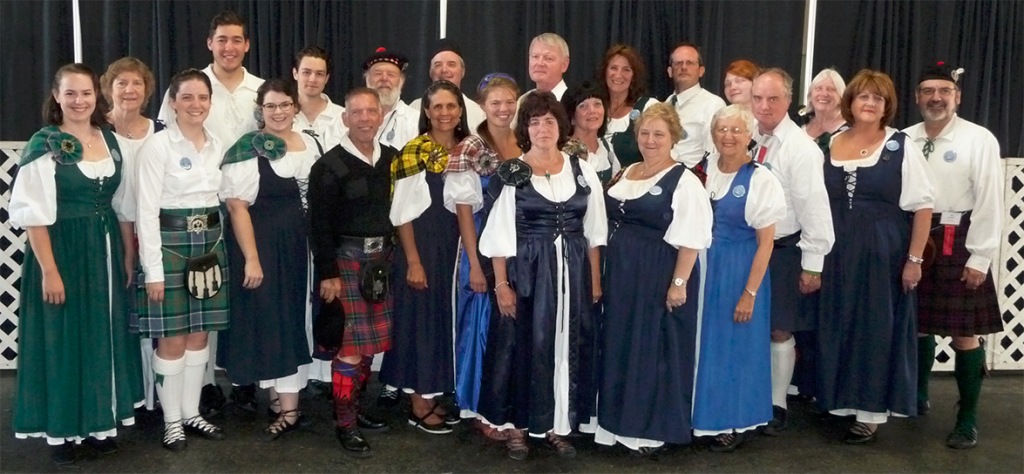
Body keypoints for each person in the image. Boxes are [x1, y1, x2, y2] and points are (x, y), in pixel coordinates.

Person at [10, 63, 143, 465]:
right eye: (70, 93)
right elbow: (33, 214)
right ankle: (63, 432)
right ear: (57, 96)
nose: (79, 101)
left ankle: (100, 423)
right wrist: (50, 271)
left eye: (86, 93)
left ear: (96, 97)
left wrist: (128, 254)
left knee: (101, 335)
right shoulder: (43, 143)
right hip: (62, 251)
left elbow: (123, 206)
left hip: (103, 251)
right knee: (63, 339)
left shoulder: (110, 140)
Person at [475, 91, 607, 460]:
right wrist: (502, 284)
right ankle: (518, 426)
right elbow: (498, 235)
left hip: (575, 272)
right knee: (524, 346)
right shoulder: (513, 172)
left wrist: (594, 279)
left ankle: (555, 424)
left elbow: (595, 230)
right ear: (525, 129)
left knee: (565, 345)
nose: (542, 128)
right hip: (528, 273)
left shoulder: (581, 170)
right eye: (534, 121)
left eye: (549, 120)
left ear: (561, 126)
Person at [817, 69, 934, 444]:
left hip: (882, 252)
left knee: (875, 329)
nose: (869, 104)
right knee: (840, 321)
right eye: (863, 96)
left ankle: (870, 412)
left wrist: (914, 260)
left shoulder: (901, 146)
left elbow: (923, 207)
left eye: (877, 99)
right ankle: (841, 400)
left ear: (887, 106)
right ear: (850, 101)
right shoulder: (831, 142)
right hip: (837, 251)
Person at [157, 11, 265, 416]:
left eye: (236, 39)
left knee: (241, 290)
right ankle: (200, 387)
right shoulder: (191, 86)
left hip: (247, 203)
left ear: (247, 45)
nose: (229, 47)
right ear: (210, 43)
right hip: (196, 206)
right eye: (222, 39)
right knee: (198, 297)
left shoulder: (260, 90)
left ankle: (243, 377)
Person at [594, 103, 713, 455]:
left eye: (659, 134)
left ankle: (647, 430)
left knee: (652, 348)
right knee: (620, 344)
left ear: (673, 137)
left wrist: (678, 285)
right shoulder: (627, 171)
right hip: (621, 274)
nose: (650, 140)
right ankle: (615, 423)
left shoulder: (685, 180)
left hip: (658, 272)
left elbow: (691, 238)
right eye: (645, 133)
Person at [905, 63, 1004, 449]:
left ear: (957, 97)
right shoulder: (905, 138)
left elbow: (990, 202)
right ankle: (917, 396)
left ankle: (967, 418)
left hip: (957, 238)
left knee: (965, 334)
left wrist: (979, 256)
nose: (936, 97)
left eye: (944, 91)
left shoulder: (979, 139)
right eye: (928, 91)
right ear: (917, 98)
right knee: (917, 324)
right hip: (914, 237)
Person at [217, 79, 322, 442]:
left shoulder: (312, 142)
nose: (278, 112)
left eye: (285, 105)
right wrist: (252, 259)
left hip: (300, 244)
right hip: (267, 244)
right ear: (259, 110)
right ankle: (290, 410)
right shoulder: (247, 148)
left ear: (295, 106)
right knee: (280, 320)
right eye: (271, 106)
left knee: (295, 316)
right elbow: (237, 207)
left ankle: (282, 399)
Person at [136, 69, 231, 451]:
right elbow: (145, 212)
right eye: (187, 97)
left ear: (211, 102)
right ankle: (171, 420)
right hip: (171, 246)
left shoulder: (219, 144)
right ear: (172, 102)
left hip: (210, 244)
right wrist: (153, 271)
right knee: (172, 340)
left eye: (203, 98)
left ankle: (192, 412)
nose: (196, 105)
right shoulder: (157, 147)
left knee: (199, 335)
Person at [308, 87, 398, 457]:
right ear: (345, 118)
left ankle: (356, 412)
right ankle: (344, 423)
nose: (364, 118)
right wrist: (327, 273)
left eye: (370, 111)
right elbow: (318, 225)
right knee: (348, 350)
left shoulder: (392, 158)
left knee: (365, 350)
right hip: (345, 264)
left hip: (381, 264)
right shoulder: (329, 166)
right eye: (356, 112)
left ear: (380, 116)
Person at [691, 105, 787, 452]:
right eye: (722, 129)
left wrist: (750, 293)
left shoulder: (761, 179)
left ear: (750, 136)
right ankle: (702, 418)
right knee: (706, 345)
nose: (728, 136)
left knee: (736, 349)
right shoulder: (701, 172)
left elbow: (766, 244)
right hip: (703, 268)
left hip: (740, 270)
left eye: (736, 130)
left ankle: (733, 421)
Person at [749, 68, 836, 434]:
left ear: (788, 101)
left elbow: (814, 206)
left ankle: (777, 403)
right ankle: (748, 397)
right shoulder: (745, 134)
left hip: (784, 250)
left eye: (773, 99)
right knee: (747, 325)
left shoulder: (801, 149)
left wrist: (813, 264)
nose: (764, 106)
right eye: (757, 98)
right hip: (744, 248)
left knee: (779, 330)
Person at [380, 81, 468, 434]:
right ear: (427, 112)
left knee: (444, 321)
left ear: (460, 111)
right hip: (422, 247)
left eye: (451, 106)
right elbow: (401, 214)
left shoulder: (467, 150)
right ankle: (418, 402)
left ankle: (434, 392)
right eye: (437, 107)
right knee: (420, 322)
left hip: (454, 248)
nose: (444, 113)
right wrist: (413, 260)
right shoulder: (413, 152)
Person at [443, 75, 521, 438]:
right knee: (479, 328)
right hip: (481, 247)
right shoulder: (470, 147)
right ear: (483, 106)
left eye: (509, 102)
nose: (503, 109)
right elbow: (463, 210)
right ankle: (477, 407)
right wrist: (475, 264)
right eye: (495, 103)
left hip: (517, 249)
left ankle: (506, 404)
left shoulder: (524, 141)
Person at [100, 56, 164, 416]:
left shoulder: (161, 130)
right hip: (111, 230)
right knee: (119, 314)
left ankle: (156, 396)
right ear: (109, 89)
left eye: (136, 83)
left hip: (155, 232)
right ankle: (124, 391)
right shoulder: (96, 131)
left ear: (147, 89)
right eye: (121, 82)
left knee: (154, 316)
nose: (129, 90)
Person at [664, 41, 726, 167]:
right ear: (670, 71)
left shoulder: (713, 105)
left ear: (701, 71)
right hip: (661, 176)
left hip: (693, 179)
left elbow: (714, 156)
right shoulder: (667, 103)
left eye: (690, 63)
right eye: (678, 63)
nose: (684, 67)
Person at [599, 44, 658, 168]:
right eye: (613, 68)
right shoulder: (593, 108)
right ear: (605, 71)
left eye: (626, 70)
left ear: (634, 75)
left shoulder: (649, 108)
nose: (618, 75)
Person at [409, 40, 486, 131]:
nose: (444, 70)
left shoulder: (477, 113)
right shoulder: (415, 108)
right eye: (438, 65)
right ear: (430, 72)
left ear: (463, 71)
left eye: (451, 64)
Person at [561, 81, 619, 183]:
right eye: (583, 106)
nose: (592, 111)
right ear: (571, 118)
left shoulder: (607, 148)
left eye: (597, 104)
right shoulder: (563, 152)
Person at [363, 47, 419, 151]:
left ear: (401, 82)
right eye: (378, 73)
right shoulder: (347, 118)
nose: (384, 79)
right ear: (367, 79)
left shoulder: (415, 122)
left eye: (391, 74)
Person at [292, 46, 346, 151]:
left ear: (326, 78)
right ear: (295, 74)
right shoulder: (281, 116)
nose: (312, 79)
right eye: (306, 72)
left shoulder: (342, 116)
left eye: (319, 74)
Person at [801, 68, 848, 152]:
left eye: (831, 89)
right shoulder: (799, 120)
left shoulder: (848, 131)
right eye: (818, 88)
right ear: (810, 95)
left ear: (841, 97)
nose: (824, 94)